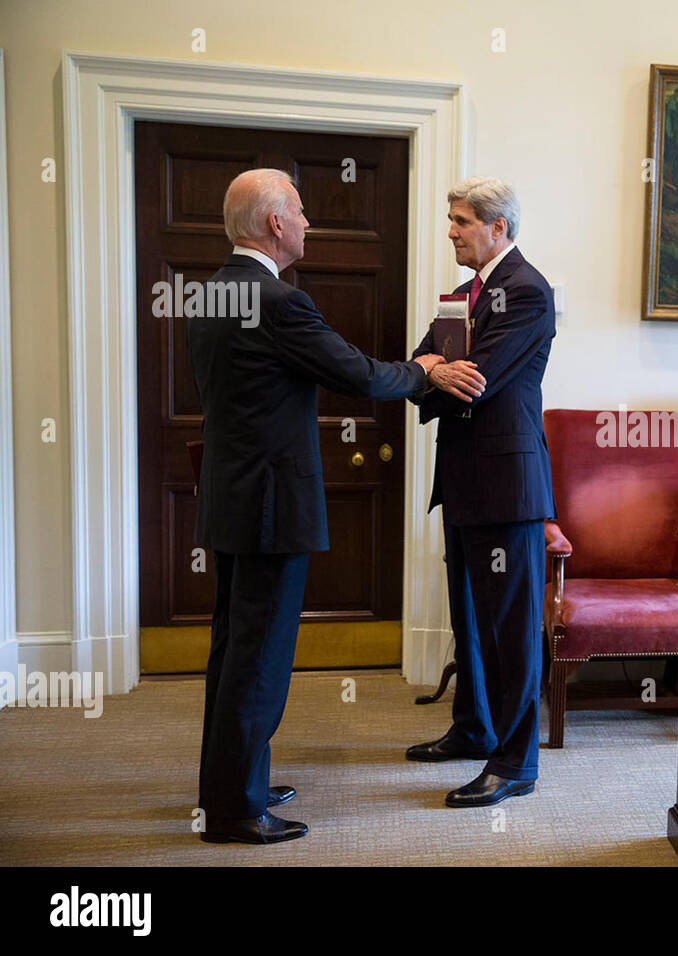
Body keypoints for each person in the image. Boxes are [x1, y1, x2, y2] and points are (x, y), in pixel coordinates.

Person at [189, 168, 446, 844]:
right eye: (300, 213)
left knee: (232, 650)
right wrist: (426, 373)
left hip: (231, 501)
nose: (307, 224)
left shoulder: (211, 293)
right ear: (275, 223)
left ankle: (228, 784)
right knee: (261, 657)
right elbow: (356, 373)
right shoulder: (277, 301)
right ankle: (238, 810)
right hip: (271, 506)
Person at [404, 177, 556, 808]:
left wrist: (437, 373)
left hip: (507, 487)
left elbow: (477, 384)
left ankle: (516, 762)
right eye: (452, 219)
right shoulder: (464, 294)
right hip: (462, 482)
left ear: (499, 227)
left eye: (462, 221)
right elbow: (419, 370)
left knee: (510, 629)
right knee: (467, 619)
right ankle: (473, 729)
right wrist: (435, 367)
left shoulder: (525, 290)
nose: (451, 231)